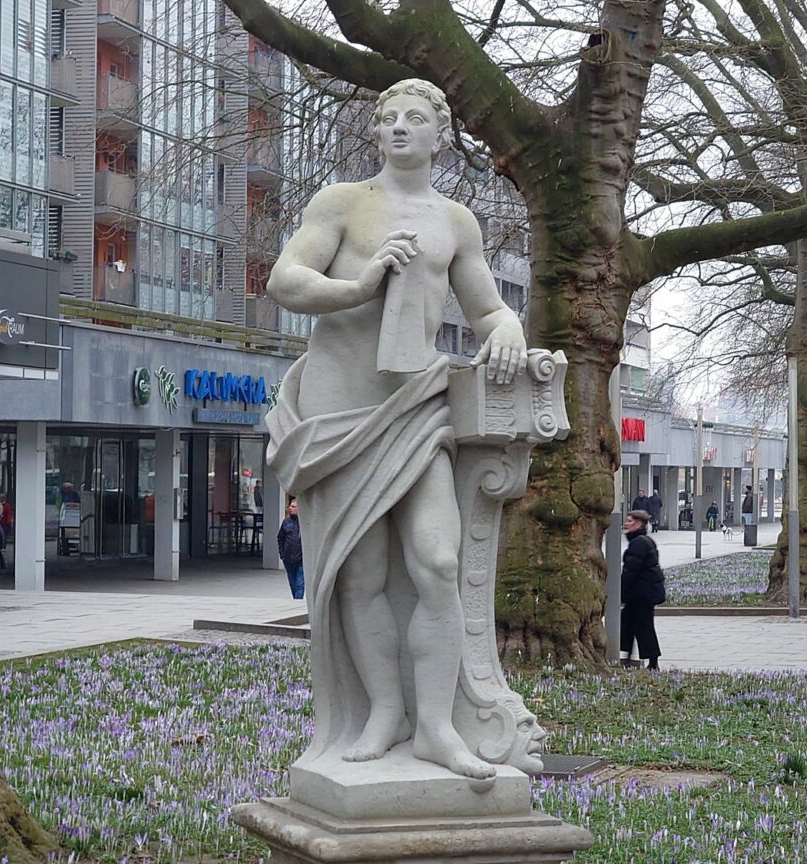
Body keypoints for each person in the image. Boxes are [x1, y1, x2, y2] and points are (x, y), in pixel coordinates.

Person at [265, 78, 529, 780]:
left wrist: (508, 328)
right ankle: (385, 711)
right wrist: (359, 287)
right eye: (391, 120)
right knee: (362, 576)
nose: (403, 128)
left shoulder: (457, 221)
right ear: (376, 135)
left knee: (438, 563)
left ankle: (438, 727)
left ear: (440, 137)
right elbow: (286, 281)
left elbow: (487, 308)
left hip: (416, 407)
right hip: (340, 411)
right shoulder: (344, 204)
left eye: (418, 119)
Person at [618, 509, 664, 669]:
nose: (626, 524)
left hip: (641, 594)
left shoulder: (638, 543)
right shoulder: (644, 540)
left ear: (639, 524)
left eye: (630, 521)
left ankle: (652, 662)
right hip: (641, 592)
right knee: (628, 623)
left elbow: (631, 571)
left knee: (643, 626)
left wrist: (621, 592)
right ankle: (627, 656)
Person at [277, 499, 304, 599]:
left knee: (300, 583)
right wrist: (282, 554)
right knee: (293, 584)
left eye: (293, 507)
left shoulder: (304, 523)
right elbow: (280, 538)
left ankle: (298, 602)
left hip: (301, 559)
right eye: (290, 506)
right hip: (288, 558)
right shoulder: (286, 522)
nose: (290, 508)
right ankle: (295, 600)